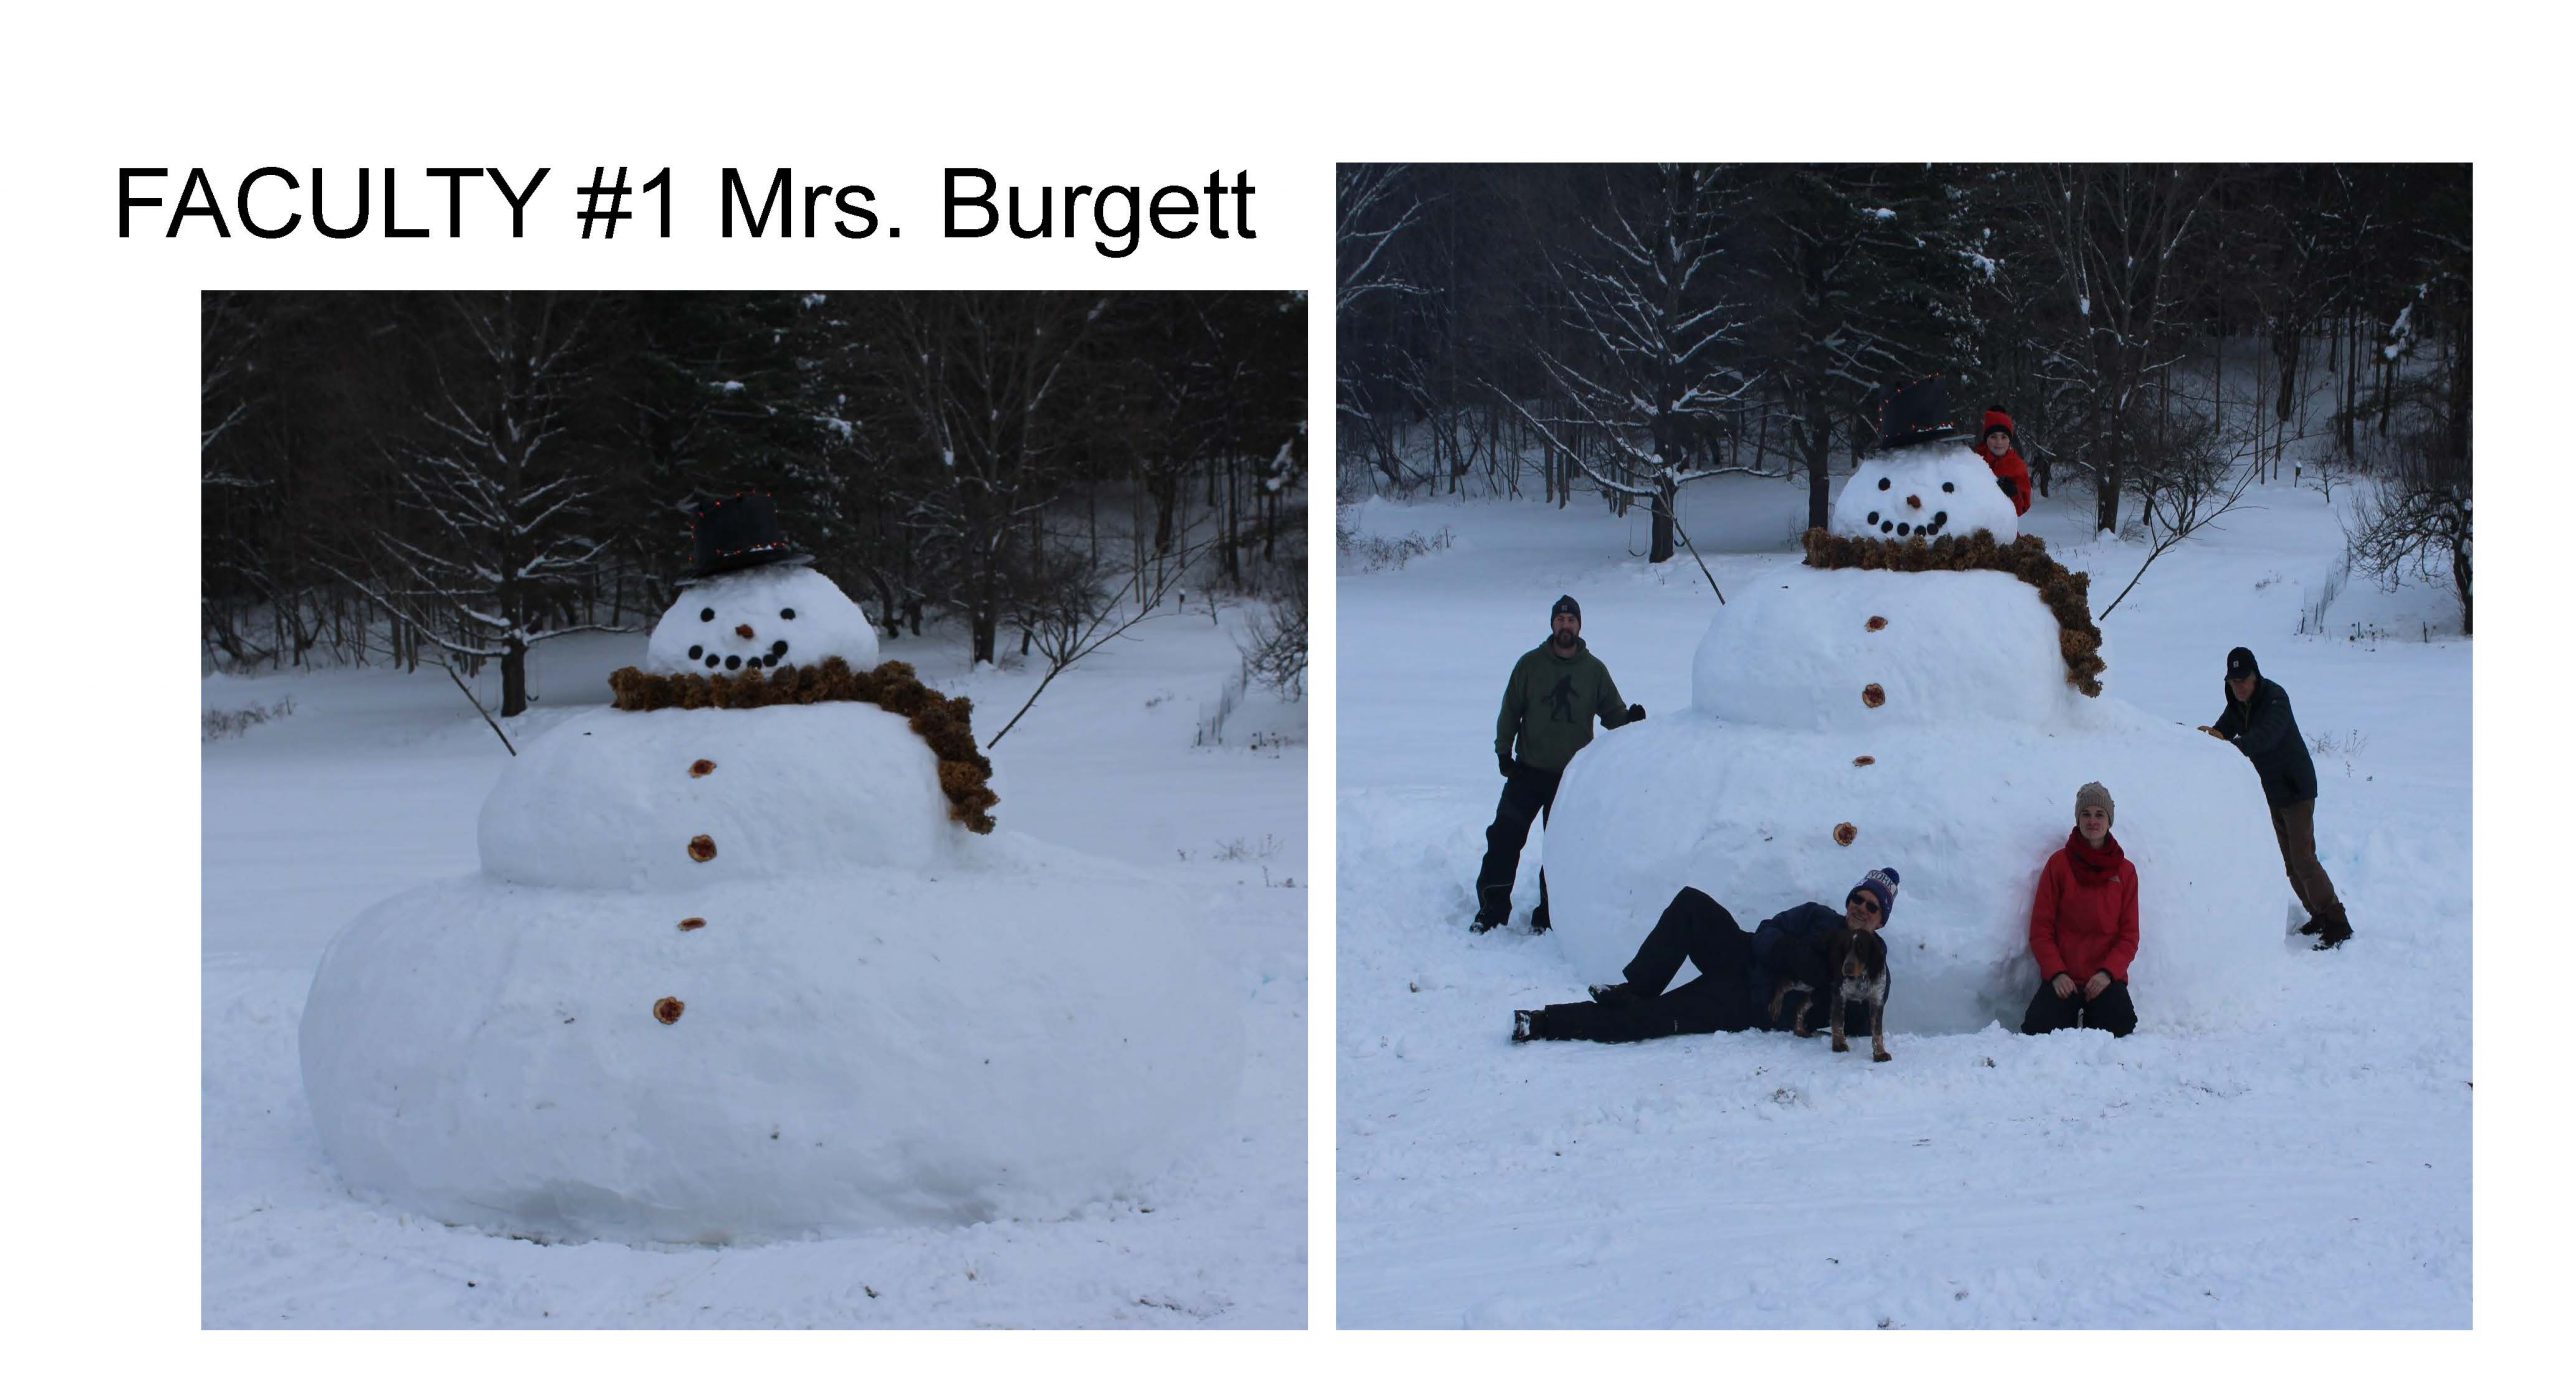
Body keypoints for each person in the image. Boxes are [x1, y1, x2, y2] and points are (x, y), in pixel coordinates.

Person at [1512, 869, 1900, 1043]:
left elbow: (1861, 1022)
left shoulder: (1871, 966)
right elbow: (1768, 929)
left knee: (1653, 1018)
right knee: (1691, 904)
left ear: (1881, 921)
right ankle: (1636, 985)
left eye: (1873, 907)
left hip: (1744, 1004)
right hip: (1740, 956)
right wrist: (1785, 950)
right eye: (1858, 898)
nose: (1861, 908)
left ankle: (1545, 1023)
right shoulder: (1818, 916)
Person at [1472, 595, 1643, 933]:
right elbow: (1510, 711)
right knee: (1504, 837)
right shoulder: (1530, 665)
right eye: (1560, 620)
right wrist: (1503, 753)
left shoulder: (1594, 671)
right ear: (1552, 624)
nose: (1566, 625)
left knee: (1560, 851)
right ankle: (1492, 908)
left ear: (1579, 626)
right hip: (1527, 771)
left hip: (1571, 779)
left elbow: (1612, 714)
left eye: (1571, 620)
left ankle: (1550, 915)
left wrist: (1631, 721)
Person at [2200, 646, 2353, 948]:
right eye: (2234, 681)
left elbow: (2264, 738)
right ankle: (2318, 915)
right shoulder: (2236, 707)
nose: (2239, 686)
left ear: (2256, 677)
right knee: (2290, 863)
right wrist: (2206, 739)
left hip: (2296, 789)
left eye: (2244, 680)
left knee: (2304, 858)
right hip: (2272, 792)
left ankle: (2337, 921)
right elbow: (2221, 732)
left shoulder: (2275, 699)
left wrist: (2230, 746)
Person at [2020, 782, 2140, 1036]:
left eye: (2099, 814)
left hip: (2104, 980)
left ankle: (2093, 1014)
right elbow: (2041, 929)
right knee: (2036, 1029)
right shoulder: (2059, 865)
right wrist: (2056, 973)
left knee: (2121, 1026)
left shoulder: (2125, 871)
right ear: (2077, 819)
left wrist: (2108, 973)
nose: (2092, 820)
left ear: (2109, 820)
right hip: (2065, 980)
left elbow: (2129, 936)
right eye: (2086, 814)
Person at [1974, 405, 2033, 515]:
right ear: (1986, 438)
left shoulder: (2017, 466)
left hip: (2003, 526)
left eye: (2003, 437)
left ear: (2009, 440)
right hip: (1975, 525)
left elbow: (2020, 511)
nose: (1999, 442)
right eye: (1993, 437)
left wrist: (2014, 494)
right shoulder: (1974, 460)